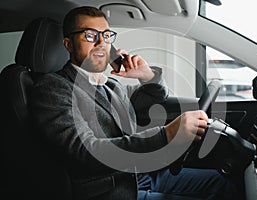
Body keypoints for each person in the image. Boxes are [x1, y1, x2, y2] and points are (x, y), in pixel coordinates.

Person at [30, 6, 236, 200]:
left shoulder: (110, 84)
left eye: (106, 35)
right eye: (90, 35)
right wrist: (167, 134)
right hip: (108, 190)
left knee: (223, 183)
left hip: (137, 175)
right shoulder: (53, 88)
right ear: (68, 44)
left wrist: (147, 76)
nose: (101, 43)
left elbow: (153, 99)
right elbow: (85, 151)